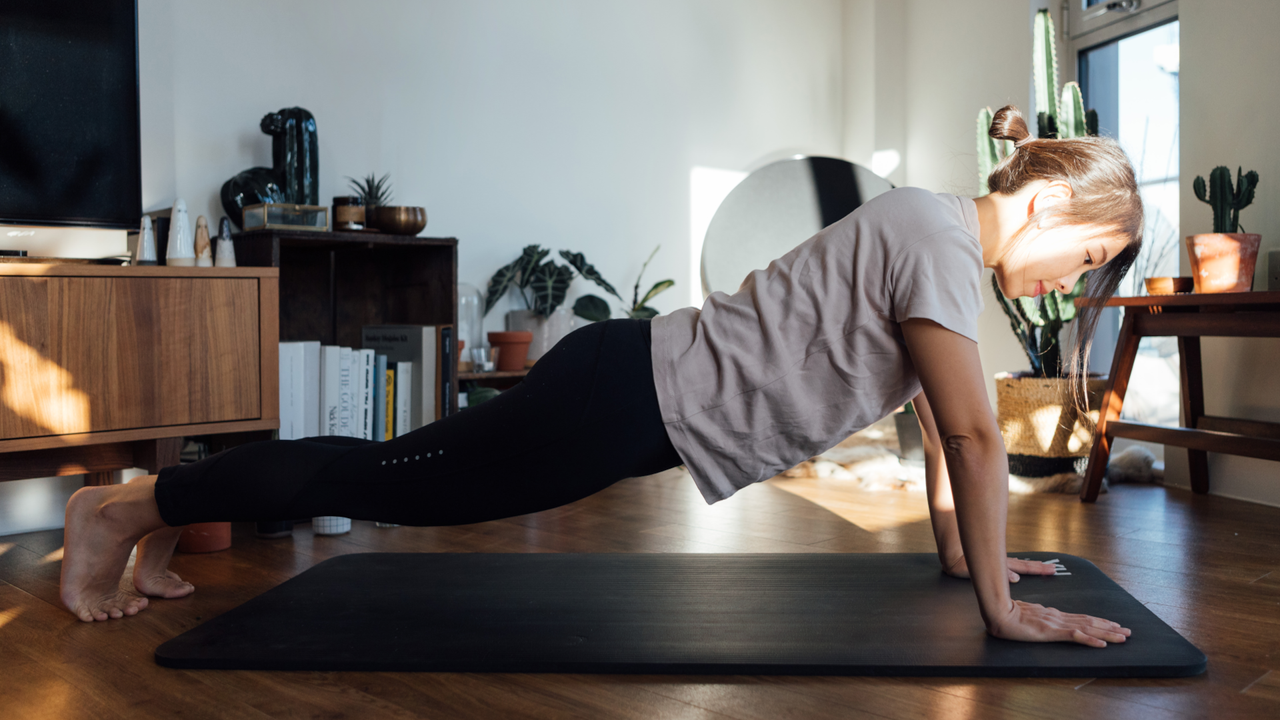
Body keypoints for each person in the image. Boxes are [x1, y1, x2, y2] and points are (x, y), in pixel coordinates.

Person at [59, 105, 1139, 649]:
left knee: (381, 475)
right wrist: (1001, 607)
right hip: (616, 397)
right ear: (1048, 205)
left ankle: (153, 520)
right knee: (380, 480)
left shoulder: (934, 242)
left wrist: (965, 558)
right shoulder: (938, 242)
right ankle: (127, 507)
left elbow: (928, 425)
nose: (1064, 283)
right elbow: (973, 437)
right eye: (1085, 258)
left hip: (627, 395)